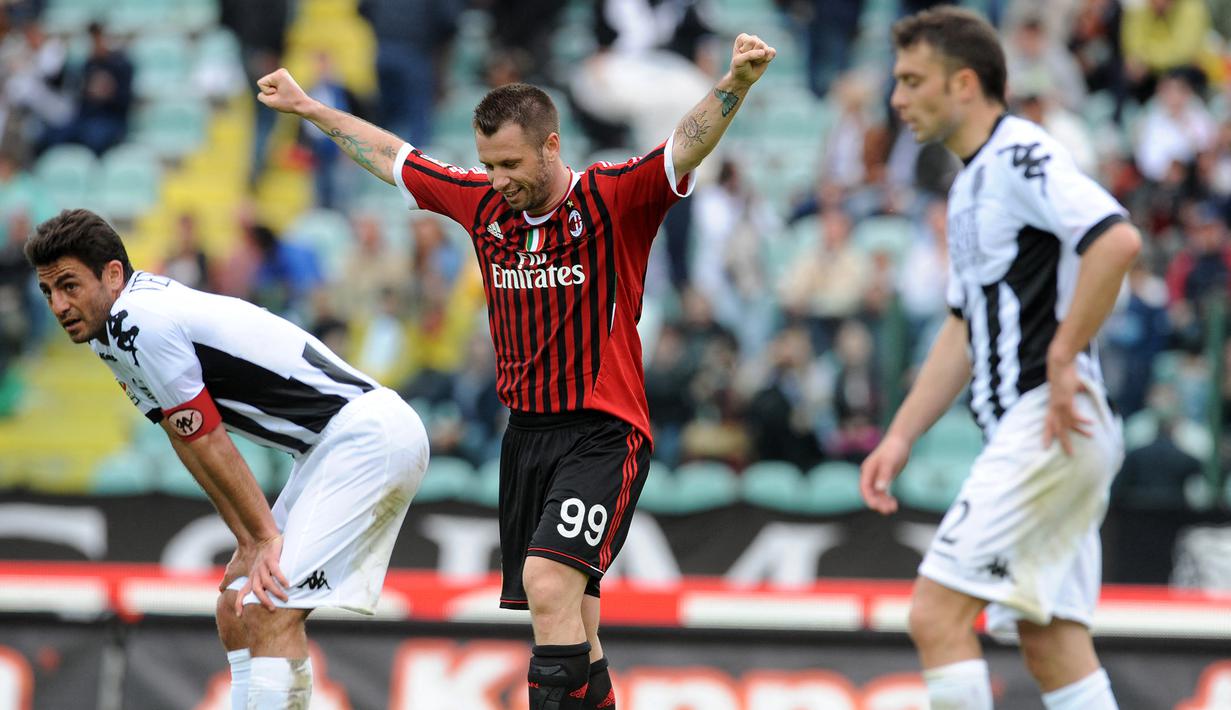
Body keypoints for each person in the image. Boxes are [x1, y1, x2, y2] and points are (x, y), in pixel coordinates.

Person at [255, 31, 775, 710]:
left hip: (602, 432)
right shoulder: (483, 204)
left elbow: (685, 144)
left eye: (510, 163)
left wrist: (735, 82)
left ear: (551, 146)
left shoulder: (612, 199)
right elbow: (391, 155)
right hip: (526, 436)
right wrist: (309, 108)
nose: (498, 179)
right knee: (574, 623)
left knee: (548, 584)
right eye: (488, 164)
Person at [26, 209, 429, 709]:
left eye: (69, 286)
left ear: (112, 274)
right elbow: (184, 435)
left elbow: (208, 437)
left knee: (268, 604)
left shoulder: (137, 320)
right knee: (236, 605)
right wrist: (247, 539)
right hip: (330, 445)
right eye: (48, 292)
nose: (59, 305)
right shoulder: (114, 333)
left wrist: (263, 537)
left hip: (366, 437)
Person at [860, 7, 1141, 710]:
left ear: (963, 83)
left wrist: (1063, 355)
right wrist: (900, 435)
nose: (897, 98)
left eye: (911, 80)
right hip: (1049, 429)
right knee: (1051, 643)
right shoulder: (968, 184)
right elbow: (962, 327)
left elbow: (1115, 240)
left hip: (1046, 420)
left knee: (935, 616)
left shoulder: (1020, 154)